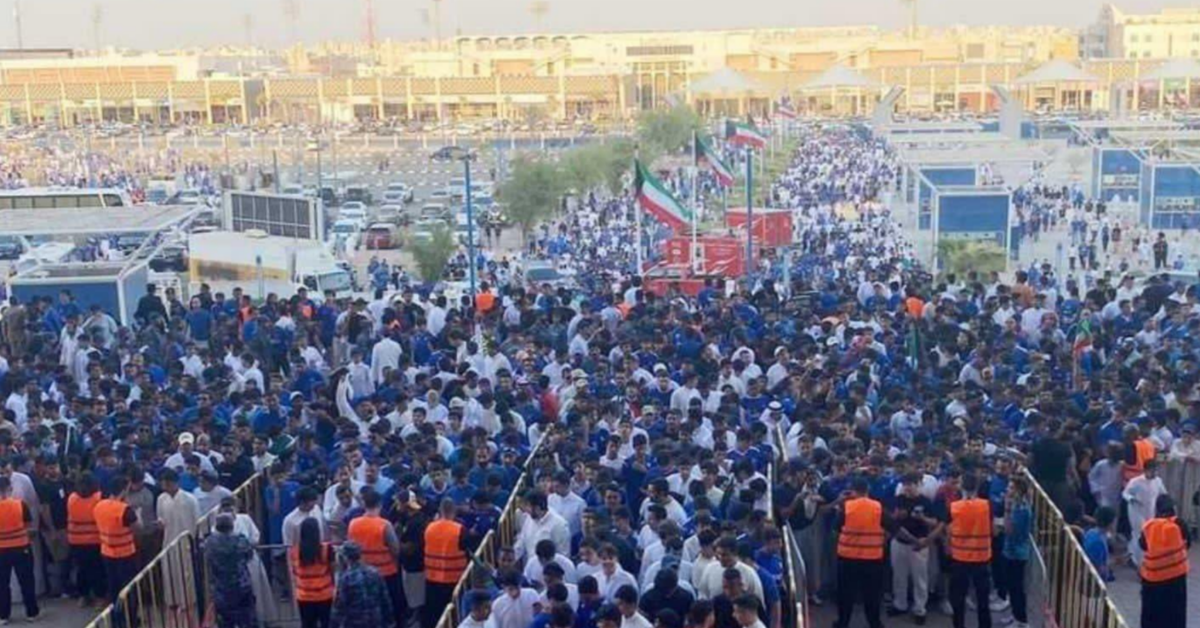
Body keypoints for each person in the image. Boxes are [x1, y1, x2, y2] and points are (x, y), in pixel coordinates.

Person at [833, 477, 885, 628]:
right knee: (872, 596)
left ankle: (843, 623)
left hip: (848, 558)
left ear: (853, 490)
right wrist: (917, 542)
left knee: (845, 595)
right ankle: (875, 623)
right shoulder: (877, 507)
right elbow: (893, 527)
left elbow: (836, 528)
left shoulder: (846, 506)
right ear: (868, 490)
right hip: (872, 559)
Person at [346, 489, 402, 626]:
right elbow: (396, 550)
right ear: (380, 504)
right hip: (386, 574)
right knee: (388, 608)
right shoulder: (385, 525)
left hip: (361, 573)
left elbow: (349, 547)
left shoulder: (353, 523)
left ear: (364, 504)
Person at [945, 472, 992, 628]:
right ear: (977, 487)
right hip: (982, 558)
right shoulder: (986, 506)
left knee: (958, 600)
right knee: (983, 600)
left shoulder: (954, 507)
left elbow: (947, 528)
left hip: (960, 559)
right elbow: (994, 528)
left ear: (961, 486)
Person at [1138, 495, 1190, 628]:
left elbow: (1142, 545)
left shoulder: (1149, 525)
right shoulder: (1179, 523)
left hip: (1152, 577)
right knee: (1175, 612)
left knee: (1151, 613)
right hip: (1176, 576)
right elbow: (1188, 542)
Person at [203, 513, 256, 628]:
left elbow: (207, 558)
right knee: (247, 620)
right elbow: (249, 555)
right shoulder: (240, 540)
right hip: (242, 585)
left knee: (225, 622)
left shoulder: (210, 543)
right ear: (232, 525)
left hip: (221, 588)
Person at [425, 498, 471, 628]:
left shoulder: (429, 527)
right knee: (453, 616)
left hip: (432, 577)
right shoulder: (459, 529)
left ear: (440, 511)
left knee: (435, 615)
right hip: (454, 579)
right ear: (454, 511)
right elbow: (467, 550)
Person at [95, 475, 140, 605]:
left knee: (113, 586)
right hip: (125, 553)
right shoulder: (125, 510)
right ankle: (130, 617)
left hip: (107, 552)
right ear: (124, 490)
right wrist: (139, 515)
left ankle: (116, 617)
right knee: (128, 588)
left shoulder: (99, 505)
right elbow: (138, 528)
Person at [331, 541, 395, 628]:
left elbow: (339, 607)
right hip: (376, 621)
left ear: (345, 558)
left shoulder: (346, 578)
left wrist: (333, 625)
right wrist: (390, 621)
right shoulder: (375, 572)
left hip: (355, 623)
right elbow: (385, 599)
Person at [0, 476, 38, 623]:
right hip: (21, 548)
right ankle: (31, 612)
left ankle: (3, 615)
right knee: (27, 581)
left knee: (2, 584)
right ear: (10, 488)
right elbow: (29, 525)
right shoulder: (20, 505)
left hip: (1, 551)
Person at [66, 472, 105, 607]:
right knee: (97, 570)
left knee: (81, 570)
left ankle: (83, 596)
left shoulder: (72, 498)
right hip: (95, 540)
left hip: (76, 541)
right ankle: (100, 597)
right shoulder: (98, 498)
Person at [291, 518, 335, 628]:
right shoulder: (326, 549)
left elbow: (294, 570)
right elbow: (333, 569)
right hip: (324, 594)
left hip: (304, 596)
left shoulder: (295, 551)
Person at [1124, 458, 1168, 567]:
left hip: (1150, 511)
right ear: (1146, 470)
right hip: (1136, 511)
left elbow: (1163, 494)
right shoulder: (1135, 481)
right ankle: (1138, 562)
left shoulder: (1158, 481)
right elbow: (1125, 493)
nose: (1154, 473)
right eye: (1152, 470)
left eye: (1156, 470)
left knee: (1147, 534)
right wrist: (1131, 499)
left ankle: (1133, 554)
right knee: (1139, 534)